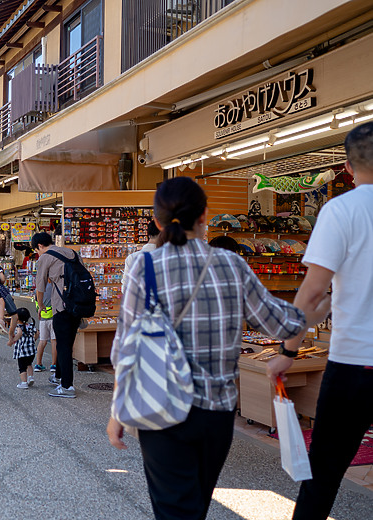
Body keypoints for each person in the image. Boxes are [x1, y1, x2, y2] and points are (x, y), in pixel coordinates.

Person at [106, 177, 329, 520]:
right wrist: (320, 306)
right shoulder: (231, 264)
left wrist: (118, 411)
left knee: (175, 510)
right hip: (216, 410)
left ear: (156, 220)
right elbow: (279, 323)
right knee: (197, 504)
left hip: (158, 405)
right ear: (205, 214)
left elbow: (125, 347)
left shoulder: (143, 266)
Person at [268, 122, 373, 520]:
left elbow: (313, 293)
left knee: (324, 473)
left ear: (347, 167)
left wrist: (288, 350)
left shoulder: (342, 210)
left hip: (354, 365)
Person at [31, 231, 84, 398]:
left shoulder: (45, 257)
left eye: (36, 250)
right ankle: (59, 377)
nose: (37, 253)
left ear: (39, 246)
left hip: (61, 306)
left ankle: (67, 387)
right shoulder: (71, 252)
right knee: (66, 343)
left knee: (62, 345)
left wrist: (40, 306)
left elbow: (40, 287)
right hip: (77, 304)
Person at [9, 307, 36, 389]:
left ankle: (24, 383)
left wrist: (12, 340)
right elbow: (37, 332)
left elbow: (19, 334)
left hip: (22, 352)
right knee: (29, 364)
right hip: (31, 351)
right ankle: (30, 377)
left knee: (22, 367)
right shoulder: (31, 326)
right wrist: (34, 340)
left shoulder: (18, 327)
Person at [33, 284, 57, 372]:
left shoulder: (37, 289)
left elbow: (36, 301)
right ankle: (54, 365)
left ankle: (38, 364)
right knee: (54, 340)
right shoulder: (54, 286)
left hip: (42, 317)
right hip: (53, 316)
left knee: (42, 341)